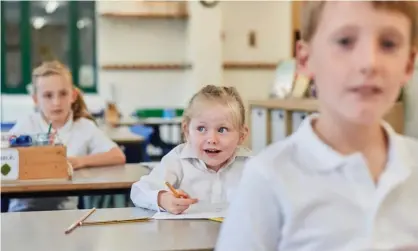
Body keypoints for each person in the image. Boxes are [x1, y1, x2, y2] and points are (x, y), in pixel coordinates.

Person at [216, 1, 418, 250]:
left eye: (388, 44)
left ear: (409, 64)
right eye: (345, 42)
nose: (369, 63)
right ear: (305, 59)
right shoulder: (269, 177)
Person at [8, 61, 126, 212]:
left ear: (73, 96)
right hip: (22, 211)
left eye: (63, 94)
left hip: (66, 214)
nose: (56, 102)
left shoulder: (84, 126)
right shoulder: (26, 125)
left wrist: (80, 161)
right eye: (48, 95)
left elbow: (117, 156)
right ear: (36, 100)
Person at [130, 85, 251, 214]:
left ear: (241, 135)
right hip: (186, 233)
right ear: (187, 131)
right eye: (201, 129)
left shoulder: (252, 165)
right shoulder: (177, 160)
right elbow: (139, 191)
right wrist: (163, 199)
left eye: (222, 130)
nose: (212, 139)